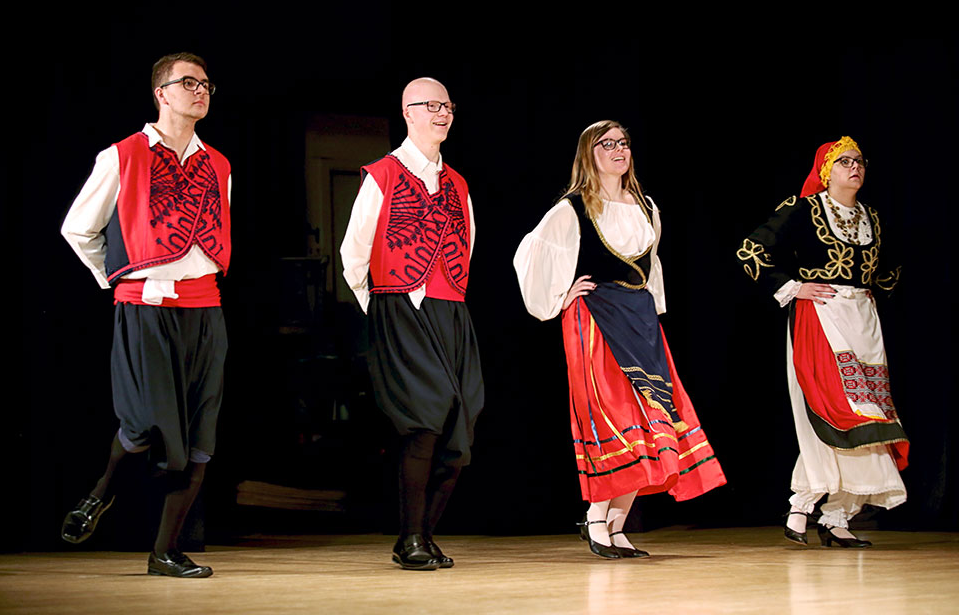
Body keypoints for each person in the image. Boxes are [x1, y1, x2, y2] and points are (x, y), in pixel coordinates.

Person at [514, 120, 726, 559]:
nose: (618, 150)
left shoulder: (647, 206)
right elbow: (532, 253)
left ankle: (617, 523)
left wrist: (653, 311)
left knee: (652, 414)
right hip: (594, 317)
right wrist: (557, 297)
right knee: (610, 411)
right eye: (606, 144)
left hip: (640, 318)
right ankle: (595, 520)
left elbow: (654, 265)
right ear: (589, 154)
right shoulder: (573, 208)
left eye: (623, 143)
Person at [60, 52, 231, 578]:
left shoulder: (219, 163)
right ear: (161, 92)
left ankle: (165, 552)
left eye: (206, 84)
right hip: (145, 306)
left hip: (206, 308)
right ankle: (100, 493)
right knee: (147, 426)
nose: (199, 91)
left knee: (201, 436)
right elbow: (79, 230)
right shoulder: (122, 155)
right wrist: (119, 279)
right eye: (188, 83)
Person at [736, 136, 908, 548]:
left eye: (860, 161)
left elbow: (888, 270)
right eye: (844, 161)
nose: (855, 167)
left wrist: (869, 292)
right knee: (834, 413)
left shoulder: (872, 216)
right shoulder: (804, 208)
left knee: (870, 420)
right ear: (826, 169)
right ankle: (801, 504)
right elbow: (752, 251)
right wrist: (793, 286)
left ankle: (836, 515)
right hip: (821, 317)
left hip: (863, 321)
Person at [340, 77, 483, 570]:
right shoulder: (382, 174)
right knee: (425, 419)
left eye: (448, 105)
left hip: (450, 311)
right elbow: (353, 255)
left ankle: (421, 535)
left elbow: (466, 251)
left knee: (459, 428)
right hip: (398, 306)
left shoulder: (459, 183)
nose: (442, 113)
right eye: (432, 105)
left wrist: (448, 301)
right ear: (408, 112)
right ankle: (410, 538)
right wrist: (382, 312)